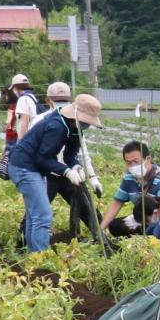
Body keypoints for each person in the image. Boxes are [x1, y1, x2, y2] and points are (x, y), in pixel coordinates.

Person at [11, 93, 102, 252]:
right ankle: (40, 258)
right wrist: (66, 171)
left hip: (35, 168)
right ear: (75, 115)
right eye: (85, 121)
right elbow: (43, 158)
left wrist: (77, 167)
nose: (86, 125)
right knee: (43, 215)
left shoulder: (74, 129)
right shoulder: (57, 126)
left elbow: (69, 156)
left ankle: (32, 256)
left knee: (36, 216)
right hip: (24, 167)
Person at [39, 82, 103, 242]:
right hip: (47, 175)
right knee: (38, 212)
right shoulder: (42, 121)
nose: (61, 104)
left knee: (88, 210)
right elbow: (37, 155)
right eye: (58, 100)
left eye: (64, 100)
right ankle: (23, 245)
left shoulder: (77, 123)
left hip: (70, 175)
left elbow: (83, 153)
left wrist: (92, 177)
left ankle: (102, 240)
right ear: (48, 101)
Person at [100, 141, 160, 245]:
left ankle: (146, 241)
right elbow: (116, 204)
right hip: (146, 219)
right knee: (115, 225)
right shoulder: (129, 178)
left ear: (147, 159)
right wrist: (100, 230)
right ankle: (143, 238)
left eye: (136, 161)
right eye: (129, 163)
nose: (133, 166)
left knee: (157, 232)